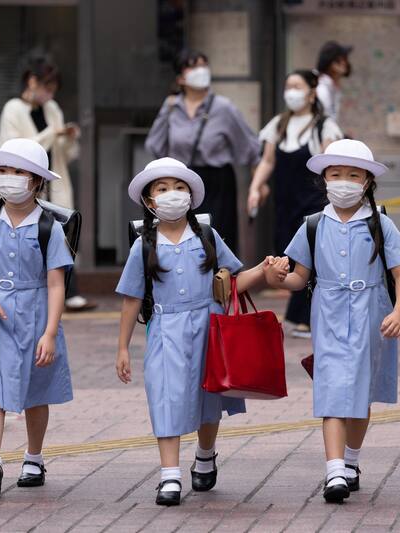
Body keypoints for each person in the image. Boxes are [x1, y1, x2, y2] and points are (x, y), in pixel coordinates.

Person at [115, 157, 270, 506]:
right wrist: (123, 347)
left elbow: (233, 281)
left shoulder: (207, 236)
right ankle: (169, 476)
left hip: (209, 326)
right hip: (165, 328)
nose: (173, 194)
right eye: (163, 189)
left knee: (208, 398)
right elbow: (130, 299)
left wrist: (261, 271)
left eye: (180, 187)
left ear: (191, 196)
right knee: (165, 397)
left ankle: (205, 453)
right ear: (149, 201)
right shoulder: (144, 245)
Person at [265, 140, 400, 503]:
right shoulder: (313, 225)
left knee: (360, 395)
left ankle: (351, 460)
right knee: (331, 390)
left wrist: (399, 311)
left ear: (366, 181)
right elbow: (300, 278)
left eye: (353, 175)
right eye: (336, 175)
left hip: (372, 314)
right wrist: (279, 276)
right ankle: (334, 473)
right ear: (324, 180)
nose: (343, 181)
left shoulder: (380, 222)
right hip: (327, 314)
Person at [0, 138, 74, 497]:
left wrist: (51, 332)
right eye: (3, 171)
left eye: (18, 172)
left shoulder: (49, 227)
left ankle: (33, 457)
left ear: (37, 181)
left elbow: (56, 284)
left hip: (37, 315)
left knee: (36, 391)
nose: (9, 178)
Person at [248, 69, 343, 338]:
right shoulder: (278, 124)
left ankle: (307, 319)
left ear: (312, 93)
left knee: (311, 258)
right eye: (288, 86)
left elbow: (330, 163)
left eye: (297, 86)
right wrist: (255, 188)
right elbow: (267, 161)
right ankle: (302, 315)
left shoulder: (324, 126)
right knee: (289, 257)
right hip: (284, 204)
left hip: (314, 203)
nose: (291, 92)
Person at [0, 59, 95, 311]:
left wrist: (69, 138)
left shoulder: (52, 108)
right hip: (22, 187)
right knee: (26, 238)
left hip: (51, 184)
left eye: (53, 89)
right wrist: (53, 132)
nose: (49, 94)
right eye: (47, 87)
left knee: (60, 236)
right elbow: (17, 150)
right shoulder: (13, 109)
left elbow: (66, 154)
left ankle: (69, 292)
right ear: (32, 81)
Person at [145, 49, 261, 253]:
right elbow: (155, 144)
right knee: (181, 238)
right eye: (193, 66)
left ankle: (221, 284)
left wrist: (257, 184)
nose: (200, 70)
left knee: (218, 239)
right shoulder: (172, 106)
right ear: (181, 77)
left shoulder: (223, 107)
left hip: (217, 183)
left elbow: (249, 146)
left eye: (203, 65)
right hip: (181, 181)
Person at [315, 41, 353, 123]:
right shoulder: (321, 89)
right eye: (340, 60)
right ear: (331, 63)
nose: (344, 63)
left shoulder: (332, 87)